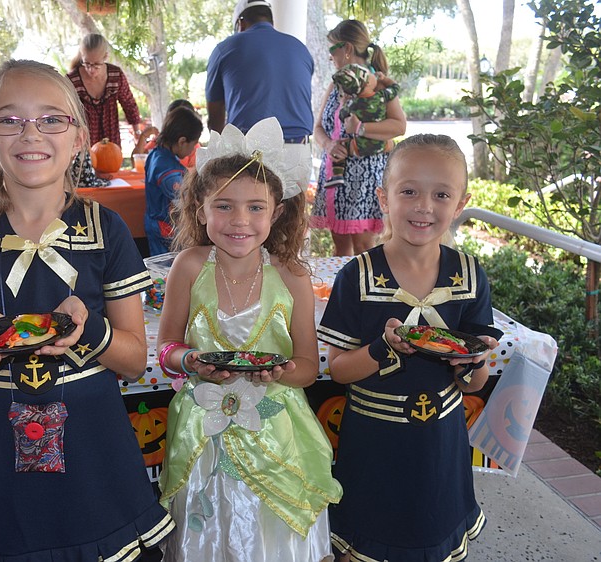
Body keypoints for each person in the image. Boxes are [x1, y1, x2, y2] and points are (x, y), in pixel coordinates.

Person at [0, 59, 174, 561]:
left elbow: (134, 358)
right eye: (9, 119)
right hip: (2, 444)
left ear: (78, 135)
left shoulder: (107, 229)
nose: (30, 133)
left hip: (93, 439)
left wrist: (90, 332)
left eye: (51, 119)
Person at [155, 117, 342, 561]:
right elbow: (165, 351)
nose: (240, 220)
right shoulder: (188, 266)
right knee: (211, 536)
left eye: (255, 207)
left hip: (277, 434)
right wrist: (191, 362)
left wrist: (281, 370)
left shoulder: (292, 275)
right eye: (224, 206)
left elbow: (308, 367)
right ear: (201, 209)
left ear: (276, 212)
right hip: (203, 436)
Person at [317, 134, 503, 562]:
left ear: (460, 205)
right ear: (383, 198)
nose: (424, 206)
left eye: (441, 195)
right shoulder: (358, 277)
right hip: (374, 439)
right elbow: (340, 370)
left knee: (433, 534)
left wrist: (473, 360)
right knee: (365, 541)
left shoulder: (469, 275)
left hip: (441, 440)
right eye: (409, 191)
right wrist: (384, 348)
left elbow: (474, 384)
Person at [310, 20, 407, 257]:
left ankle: (366, 294)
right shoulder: (336, 83)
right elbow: (318, 127)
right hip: (337, 176)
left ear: (347, 49)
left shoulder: (378, 82)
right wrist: (329, 144)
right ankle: (342, 293)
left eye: (332, 49)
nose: (330, 56)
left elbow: (399, 125)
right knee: (340, 249)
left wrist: (361, 128)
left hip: (367, 177)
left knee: (366, 250)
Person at [205, 0, 313, 143]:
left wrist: (218, 146)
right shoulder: (301, 49)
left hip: (249, 149)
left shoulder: (225, 49)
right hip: (299, 147)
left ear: (241, 23)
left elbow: (216, 113)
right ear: (271, 22)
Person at [324, 63, 399, 190]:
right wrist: (385, 79)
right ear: (368, 83)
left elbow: (343, 117)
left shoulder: (352, 104)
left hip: (358, 147)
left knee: (341, 146)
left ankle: (338, 174)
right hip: (381, 145)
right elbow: (395, 87)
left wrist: (343, 103)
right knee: (393, 144)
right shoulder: (381, 96)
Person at [144, 106, 203, 255]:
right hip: (165, 229)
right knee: (166, 271)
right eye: (193, 144)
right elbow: (183, 197)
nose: (193, 150)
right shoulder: (168, 169)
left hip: (155, 223)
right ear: (182, 141)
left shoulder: (156, 154)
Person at [67, 33, 143, 149]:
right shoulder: (72, 80)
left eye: (96, 64)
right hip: (82, 143)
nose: (91, 70)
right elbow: (64, 112)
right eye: (87, 63)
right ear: (82, 56)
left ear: (105, 57)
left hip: (111, 141)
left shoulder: (115, 75)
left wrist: (137, 132)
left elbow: (129, 104)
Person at [144, 99, 202, 169]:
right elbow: (140, 158)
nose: (192, 148)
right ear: (182, 142)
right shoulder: (172, 172)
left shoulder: (155, 152)